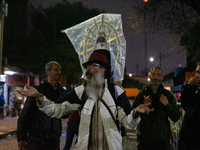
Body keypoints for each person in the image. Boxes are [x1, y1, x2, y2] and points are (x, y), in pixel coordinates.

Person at [17, 50, 154, 150]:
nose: (87, 69)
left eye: (92, 65)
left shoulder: (116, 92)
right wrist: (39, 97)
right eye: (86, 66)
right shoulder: (81, 92)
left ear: (103, 69)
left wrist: (136, 112)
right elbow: (56, 110)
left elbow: (128, 122)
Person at [17, 61, 67, 150]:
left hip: (54, 141)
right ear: (47, 72)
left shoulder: (62, 92)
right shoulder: (38, 90)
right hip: (37, 141)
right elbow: (25, 115)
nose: (59, 72)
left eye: (60, 70)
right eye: (56, 69)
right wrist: (22, 138)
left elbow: (65, 115)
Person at [132, 66, 181, 150]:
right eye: (154, 74)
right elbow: (132, 115)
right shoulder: (142, 94)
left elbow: (176, 117)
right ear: (149, 76)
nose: (156, 77)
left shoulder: (167, 95)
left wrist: (167, 104)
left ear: (162, 77)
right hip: (145, 140)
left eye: (159, 75)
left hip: (162, 140)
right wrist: (142, 106)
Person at [178, 62, 200, 150]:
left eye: (199, 72)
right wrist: (188, 88)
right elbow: (187, 106)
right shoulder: (197, 91)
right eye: (197, 72)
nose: (196, 75)